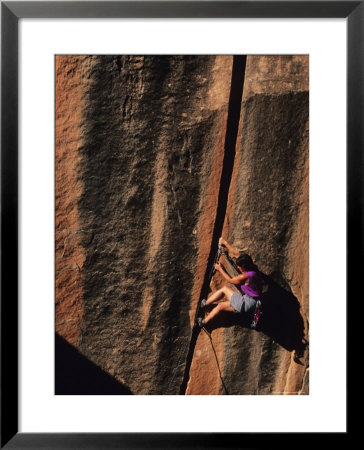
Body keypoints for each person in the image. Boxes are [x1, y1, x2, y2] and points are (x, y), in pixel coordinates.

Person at [196, 237, 263, 328]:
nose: (238, 268)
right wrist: (225, 243)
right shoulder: (254, 268)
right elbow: (238, 255)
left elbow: (230, 281)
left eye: (239, 267)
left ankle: (204, 304)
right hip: (253, 305)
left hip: (245, 303)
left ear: (243, 267)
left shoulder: (244, 276)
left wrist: (220, 269)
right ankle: (203, 322)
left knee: (224, 289)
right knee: (220, 306)